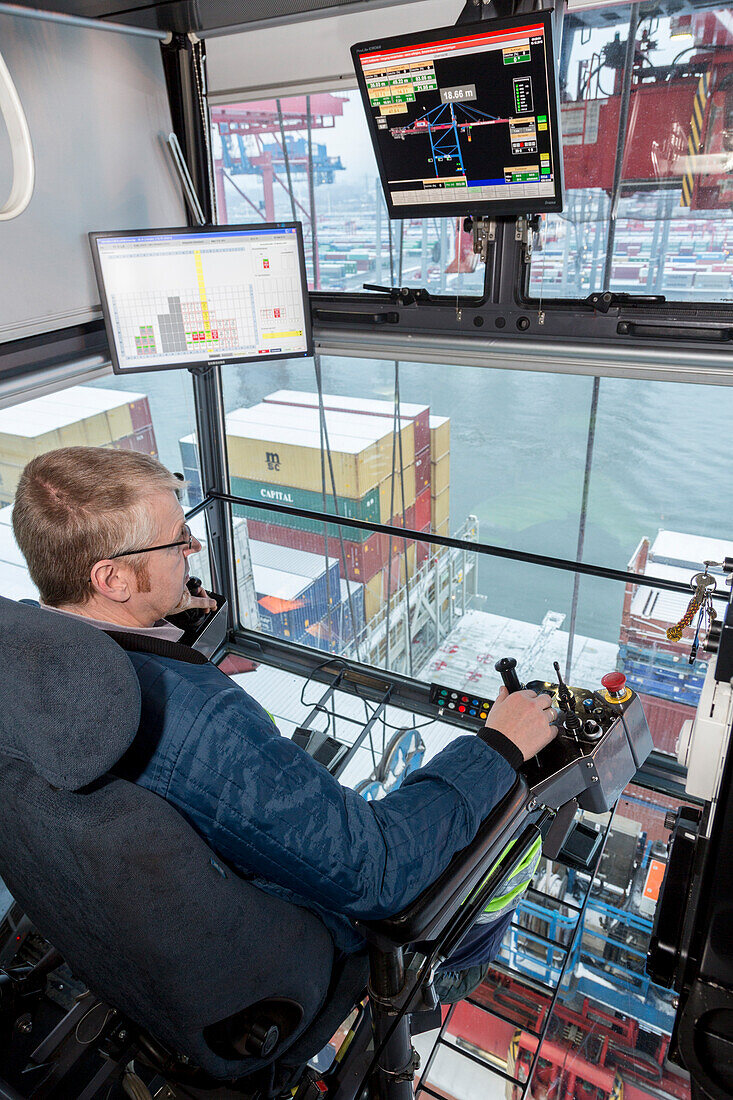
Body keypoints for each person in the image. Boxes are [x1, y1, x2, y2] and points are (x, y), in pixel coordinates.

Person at [11, 446, 558, 998]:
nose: (194, 547)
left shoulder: (26, 651)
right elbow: (378, 869)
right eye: (177, 540)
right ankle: (448, 975)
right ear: (112, 579)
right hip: (302, 950)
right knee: (507, 856)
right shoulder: (199, 724)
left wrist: (160, 634)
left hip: (120, 933)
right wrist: (498, 746)